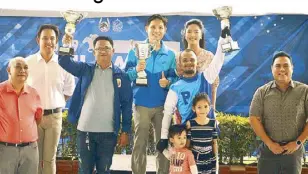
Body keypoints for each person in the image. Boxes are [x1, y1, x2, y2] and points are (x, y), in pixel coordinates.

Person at [59, 35, 133, 174]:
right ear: (93, 52)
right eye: (99, 48)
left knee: (104, 171)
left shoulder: (122, 76)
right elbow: (64, 61)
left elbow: (127, 105)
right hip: (85, 130)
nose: (103, 51)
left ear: (113, 51)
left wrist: (125, 131)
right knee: (85, 170)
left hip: (108, 133)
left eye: (107, 48)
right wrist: (66, 45)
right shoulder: (85, 69)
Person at [158, 24, 230, 151]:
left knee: (210, 167)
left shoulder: (206, 77)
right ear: (180, 64)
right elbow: (168, 112)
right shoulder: (175, 87)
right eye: (185, 60)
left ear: (197, 62)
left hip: (208, 133)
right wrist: (164, 138)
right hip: (188, 135)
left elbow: (219, 59)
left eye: (192, 60)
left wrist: (223, 39)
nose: (189, 63)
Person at [124, 14, 176, 174]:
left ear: (165, 30)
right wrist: (136, 70)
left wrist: (168, 83)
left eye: (160, 27)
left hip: (163, 106)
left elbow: (176, 78)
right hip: (141, 104)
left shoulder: (171, 54)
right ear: (146, 29)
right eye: (153, 27)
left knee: (163, 143)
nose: (156, 30)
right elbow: (126, 75)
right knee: (140, 143)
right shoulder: (135, 50)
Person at [25, 24, 75, 174]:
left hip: (54, 117)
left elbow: (69, 90)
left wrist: (55, 103)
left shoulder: (64, 64)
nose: (49, 42)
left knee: (50, 159)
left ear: (57, 41)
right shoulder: (28, 63)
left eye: (52, 38)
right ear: (37, 40)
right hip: (33, 118)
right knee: (35, 158)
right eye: (45, 38)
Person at [249, 51, 308, 174]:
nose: (282, 69)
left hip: (293, 153)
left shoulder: (304, 91)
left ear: (292, 68)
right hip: (268, 152)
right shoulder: (261, 92)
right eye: (278, 66)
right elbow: (253, 118)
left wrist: (297, 143)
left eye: (286, 65)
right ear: (272, 69)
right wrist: (270, 144)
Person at [0, 57, 43, 174]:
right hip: (5, 150)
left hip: (30, 151)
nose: (22, 70)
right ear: (9, 70)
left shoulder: (34, 93)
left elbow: (38, 118)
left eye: (25, 67)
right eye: (18, 67)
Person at [186, 93, 218, 174]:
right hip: (194, 159)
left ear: (210, 107)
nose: (203, 110)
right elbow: (188, 144)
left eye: (205, 106)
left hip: (209, 158)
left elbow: (214, 143)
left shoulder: (213, 123)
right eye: (199, 107)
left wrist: (216, 159)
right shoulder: (190, 124)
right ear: (194, 108)